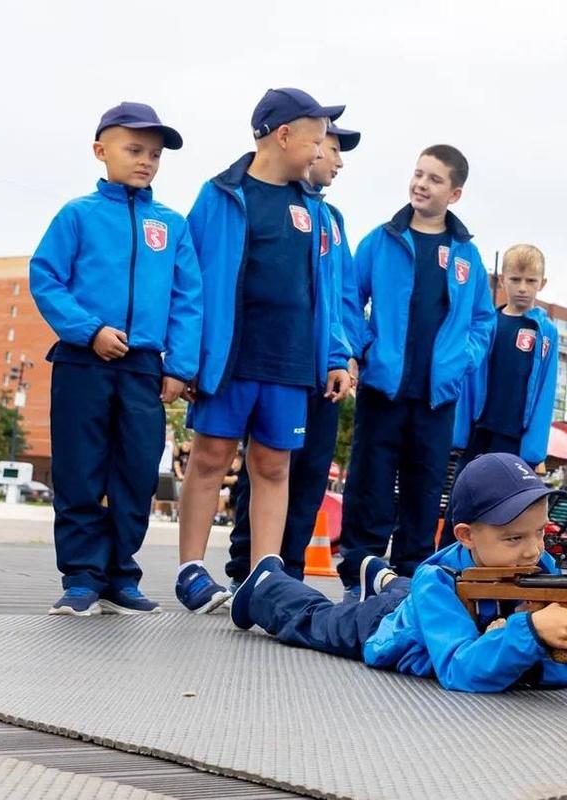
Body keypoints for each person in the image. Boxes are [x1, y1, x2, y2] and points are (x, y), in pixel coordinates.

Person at [176, 88, 353, 613]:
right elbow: (191, 281)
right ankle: (190, 569)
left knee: (274, 465)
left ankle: (264, 575)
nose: (321, 152)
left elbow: (330, 292)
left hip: (290, 359)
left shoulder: (316, 212)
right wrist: (184, 357)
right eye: (316, 141)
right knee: (210, 458)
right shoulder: (219, 195)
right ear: (283, 136)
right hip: (230, 357)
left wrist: (337, 356)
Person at [29, 102, 202, 616]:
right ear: (100, 151)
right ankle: (81, 576)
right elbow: (46, 277)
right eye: (134, 149)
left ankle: (120, 575)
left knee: (136, 471)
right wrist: (89, 331)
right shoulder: (77, 215)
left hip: (144, 366)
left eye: (154, 154)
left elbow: (188, 297)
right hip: (84, 361)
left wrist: (179, 367)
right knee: (80, 468)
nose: (146, 160)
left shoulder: (171, 225)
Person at [229, 453, 567, 693]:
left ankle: (382, 577)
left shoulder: (541, 568)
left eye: (541, 533)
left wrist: (539, 652)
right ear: (466, 535)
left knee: (411, 591)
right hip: (388, 627)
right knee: (320, 622)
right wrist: (532, 633)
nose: (533, 550)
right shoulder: (438, 580)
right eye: (514, 537)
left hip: (423, 603)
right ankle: (267, 584)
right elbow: (458, 668)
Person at [338, 145, 496, 590]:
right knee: (370, 483)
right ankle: (359, 572)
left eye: (434, 179)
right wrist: (363, 348)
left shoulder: (466, 255)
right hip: (383, 387)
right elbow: (351, 298)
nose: (421, 184)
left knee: (424, 489)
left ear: (455, 194)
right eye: (418, 174)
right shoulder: (381, 240)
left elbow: (483, 320)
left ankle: (411, 577)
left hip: (437, 395)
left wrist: (462, 362)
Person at [226, 122, 362, 585]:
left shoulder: (333, 220)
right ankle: (246, 569)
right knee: (264, 466)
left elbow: (343, 298)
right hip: (277, 362)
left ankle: (290, 575)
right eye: (331, 149)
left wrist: (343, 356)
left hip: (322, 369)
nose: (338, 161)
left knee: (308, 477)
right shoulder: (257, 202)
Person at [443, 244, 558, 545]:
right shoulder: (487, 323)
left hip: (515, 436)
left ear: (542, 283)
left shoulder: (545, 331)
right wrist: (460, 430)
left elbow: (546, 389)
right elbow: (468, 380)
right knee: (462, 501)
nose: (522, 288)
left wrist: (534, 447)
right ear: (501, 280)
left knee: (509, 511)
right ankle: (445, 565)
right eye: (515, 279)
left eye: (531, 281)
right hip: (480, 429)